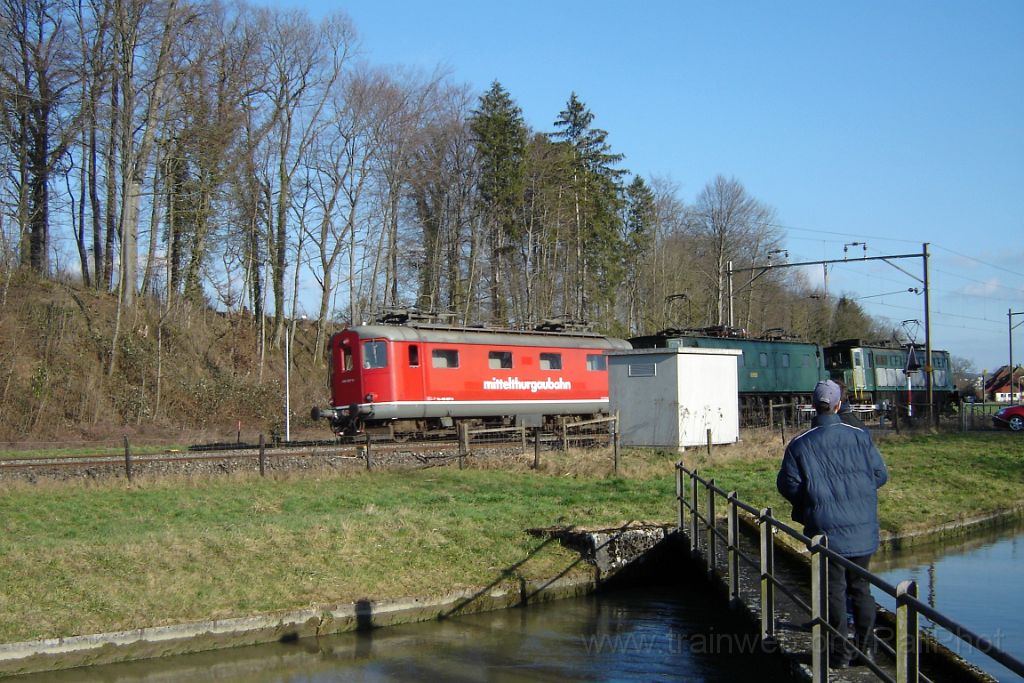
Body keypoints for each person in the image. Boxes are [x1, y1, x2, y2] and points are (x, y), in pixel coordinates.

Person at [777, 379, 888, 668]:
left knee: (833, 591)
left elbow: (788, 485)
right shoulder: (860, 436)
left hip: (825, 530)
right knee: (861, 588)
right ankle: (866, 652)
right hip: (863, 528)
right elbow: (880, 475)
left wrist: (811, 501)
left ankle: (839, 655)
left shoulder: (800, 444)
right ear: (839, 405)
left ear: (814, 406)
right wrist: (859, 494)